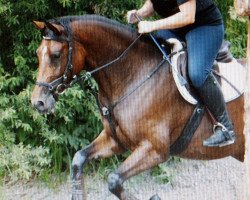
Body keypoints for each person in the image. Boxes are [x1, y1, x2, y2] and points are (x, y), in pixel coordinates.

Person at [127, 0, 236, 147]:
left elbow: (187, 16)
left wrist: (152, 25)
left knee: (197, 74)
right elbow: (153, 2)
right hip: (177, 29)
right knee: (150, 51)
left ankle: (226, 128)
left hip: (204, 26)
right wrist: (140, 13)